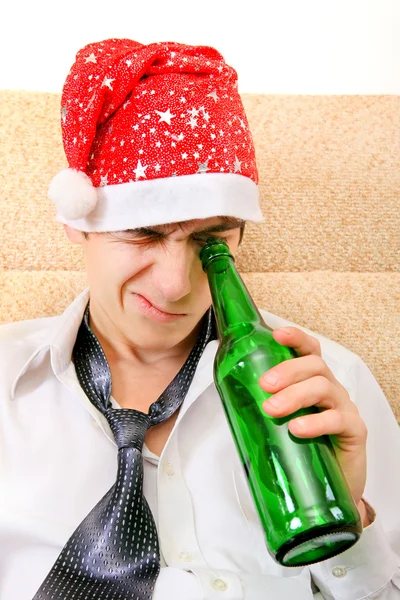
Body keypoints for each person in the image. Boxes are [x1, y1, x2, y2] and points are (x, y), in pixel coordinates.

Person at [0, 38, 399, 600]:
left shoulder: (328, 386)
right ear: (76, 223)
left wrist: (349, 517)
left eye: (211, 240)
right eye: (144, 233)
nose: (176, 284)